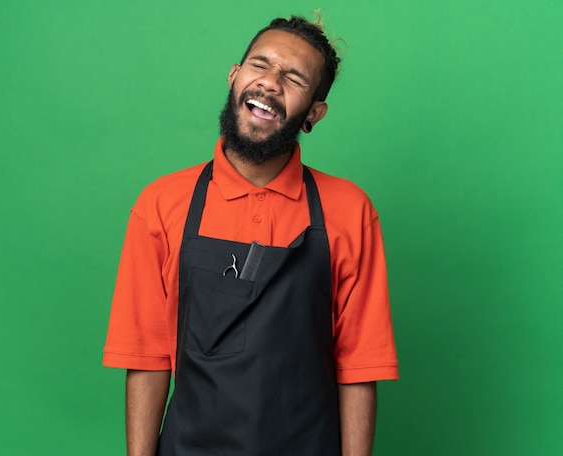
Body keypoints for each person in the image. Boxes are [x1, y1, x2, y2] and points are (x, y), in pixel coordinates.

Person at [103, 15, 399, 456]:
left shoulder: (350, 210)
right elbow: (146, 359)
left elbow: (358, 367)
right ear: (234, 76)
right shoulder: (162, 204)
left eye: (294, 78)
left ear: (313, 113)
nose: (270, 83)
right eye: (260, 65)